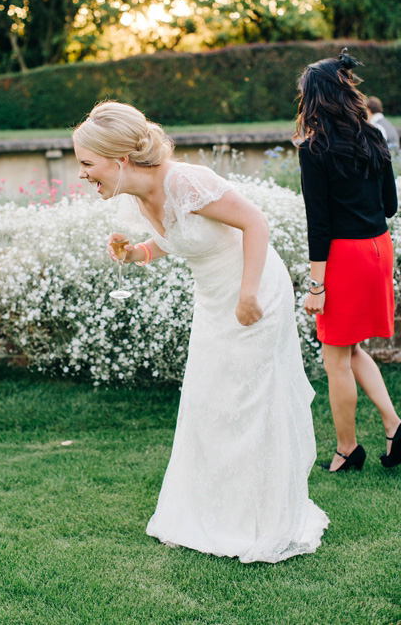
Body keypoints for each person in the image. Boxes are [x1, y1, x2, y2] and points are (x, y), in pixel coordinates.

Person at [73, 100, 327, 563]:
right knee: (209, 401)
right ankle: (214, 516)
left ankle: (261, 519)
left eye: (87, 164)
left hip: (254, 293)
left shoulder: (186, 180)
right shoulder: (138, 196)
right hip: (213, 301)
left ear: (119, 159)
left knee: (250, 403)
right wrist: (134, 254)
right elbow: (178, 241)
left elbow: (255, 222)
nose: (83, 174)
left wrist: (249, 294)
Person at [297, 51, 401, 473]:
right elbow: (391, 206)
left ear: (314, 99)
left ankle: (347, 449)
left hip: (345, 256)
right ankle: (395, 427)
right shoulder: (374, 137)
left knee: (334, 357)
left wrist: (316, 287)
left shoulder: (314, 148)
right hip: (379, 246)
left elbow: (319, 225)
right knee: (351, 347)